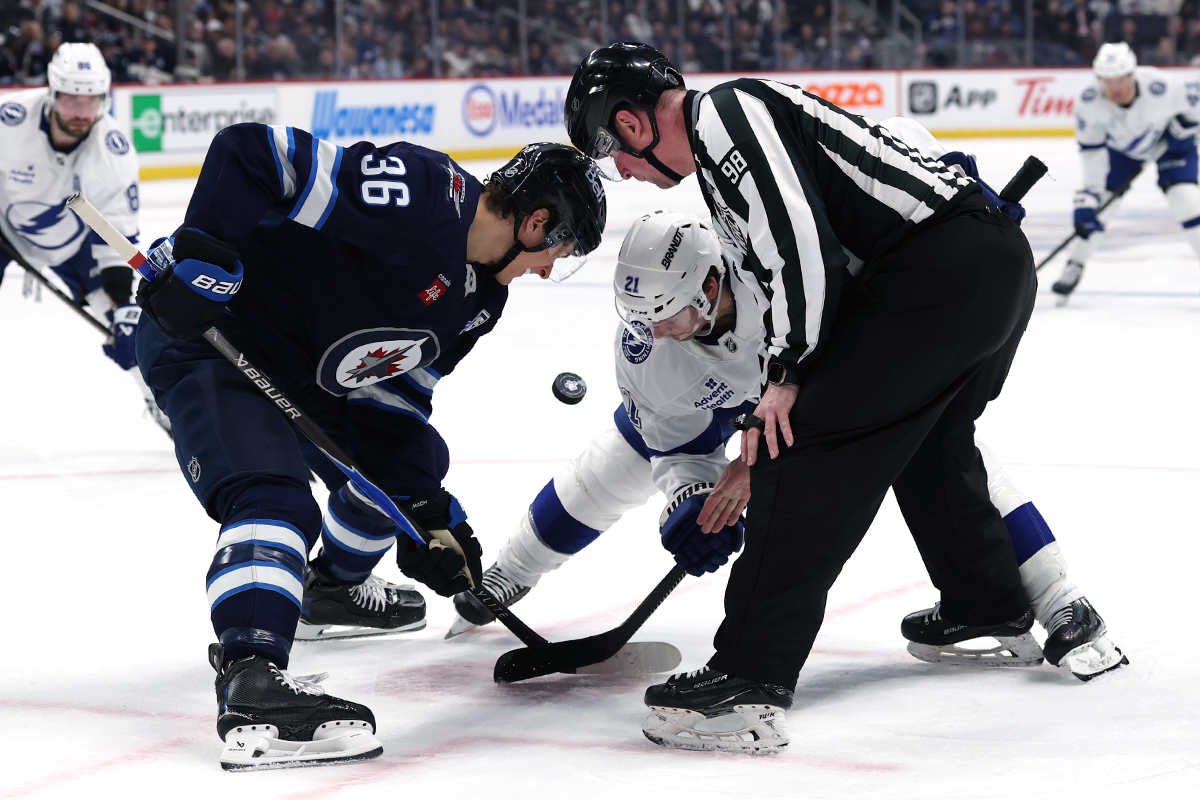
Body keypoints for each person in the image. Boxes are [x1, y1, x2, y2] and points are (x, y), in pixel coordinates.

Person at [565, 42, 1039, 753]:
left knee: (803, 455)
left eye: (614, 154)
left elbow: (800, 250)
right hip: (984, 270)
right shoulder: (727, 150)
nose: (625, 172)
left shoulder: (725, 115)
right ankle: (987, 605)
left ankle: (748, 681)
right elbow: (792, 274)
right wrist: (775, 393)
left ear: (632, 125)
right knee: (929, 442)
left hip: (939, 271)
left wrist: (786, 380)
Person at [450, 206, 1126, 683]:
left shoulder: (780, 265)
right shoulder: (652, 347)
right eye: (640, 318)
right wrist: (690, 499)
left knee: (939, 452)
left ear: (710, 283)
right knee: (612, 464)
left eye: (665, 315)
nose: (652, 332)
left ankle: (1061, 600)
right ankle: (510, 573)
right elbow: (673, 445)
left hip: (825, 387)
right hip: (720, 403)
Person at [134, 131, 605, 770]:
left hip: (298, 368)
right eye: (559, 253)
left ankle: (330, 590)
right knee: (273, 497)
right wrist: (203, 254)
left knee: (410, 475)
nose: (549, 269)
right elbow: (253, 154)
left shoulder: (482, 300)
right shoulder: (423, 196)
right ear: (536, 222)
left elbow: (393, 405)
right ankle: (252, 682)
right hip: (211, 337)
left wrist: (429, 518)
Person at [0, 43, 167, 433]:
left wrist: (123, 308)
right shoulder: (11, 120)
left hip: (74, 244)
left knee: (130, 335)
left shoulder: (113, 153)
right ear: (52, 94)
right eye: (71, 100)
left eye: (91, 101)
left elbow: (114, 238)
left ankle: (161, 405)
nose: (81, 112)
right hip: (6, 226)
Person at [1053, 41, 1200, 302]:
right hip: (1123, 152)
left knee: (1188, 203)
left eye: (1121, 80)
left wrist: (1182, 129)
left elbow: (1195, 108)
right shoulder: (1088, 101)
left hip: (1172, 147)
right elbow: (1092, 152)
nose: (1115, 88)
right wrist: (1091, 194)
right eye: (1108, 81)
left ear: (1133, 74)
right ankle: (1075, 264)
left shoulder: (1162, 86)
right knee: (1099, 210)